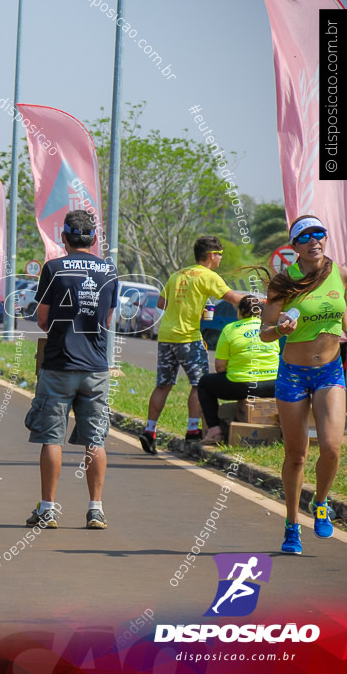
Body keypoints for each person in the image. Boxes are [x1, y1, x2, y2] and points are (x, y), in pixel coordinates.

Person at [23, 210, 118, 530]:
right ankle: (96, 509)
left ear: (63, 237)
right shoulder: (109, 271)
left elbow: (43, 320)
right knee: (96, 440)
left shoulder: (53, 268)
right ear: (93, 239)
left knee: (52, 438)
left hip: (59, 364)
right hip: (95, 367)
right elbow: (107, 321)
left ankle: (48, 509)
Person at [259, 216, 346, 554]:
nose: (315, 241)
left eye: (319, 234)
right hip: (293, 375)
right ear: (294, 246)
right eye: (306, 237)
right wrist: (279, 330)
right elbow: (265, 332)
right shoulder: (284, 282)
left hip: (330, 371)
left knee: (332, 446)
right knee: (296, 455)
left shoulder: (340, 273)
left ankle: (320, 504)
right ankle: (291, 524)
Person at [140, 237, 243, 454]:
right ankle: (192, 431)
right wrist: (262, 302)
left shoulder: (178, 274)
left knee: (163, 385)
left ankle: (149, 431)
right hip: (188, 337)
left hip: (166, 336)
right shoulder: (209, 276)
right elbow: (234, 298)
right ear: (212, 255)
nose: (220, 259)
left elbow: (161, 303)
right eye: (220, 255)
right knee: (199, 384)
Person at [198, 295, 280, 446]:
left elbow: (220, 367)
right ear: (260, 312)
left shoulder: (230, 329)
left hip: (243, 386)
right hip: (272, 385)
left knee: (204, 383)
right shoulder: (269, 329)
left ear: (239, 312)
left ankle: (214, 430)